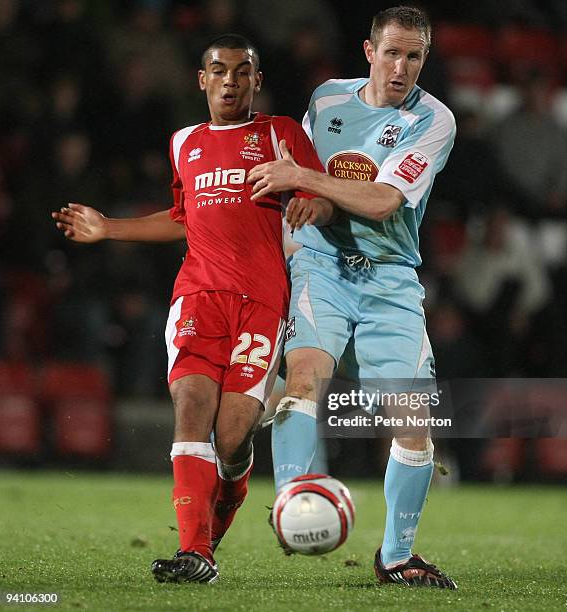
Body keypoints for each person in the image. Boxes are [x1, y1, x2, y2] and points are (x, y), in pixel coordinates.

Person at [52, 33, 334, 584]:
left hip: (260, 303)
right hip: (197, 297)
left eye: (242, 71)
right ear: (201, 80)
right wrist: (109, 227)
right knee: (190, 410)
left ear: (257, 78)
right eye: (219, 71)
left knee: (232, 439)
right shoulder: (184, 141)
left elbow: (321, 196)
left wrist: (309, 198)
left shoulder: (281, 134)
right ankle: (196, 553)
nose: (231, 80)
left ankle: (224, 502)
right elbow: (185, 215)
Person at [248, 7, 458, 589]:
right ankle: (295, 501)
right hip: (324, 265)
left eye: (414, 57)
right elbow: (317, 189)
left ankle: (396, 557)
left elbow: (383, 201)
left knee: (413, 425)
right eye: (391, 53)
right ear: (369, 51)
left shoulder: (433, 121)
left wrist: (303, 182)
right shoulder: (327, 102)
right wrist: (301, 220)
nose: (401, 68)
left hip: (390, 278)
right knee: (304, 379)